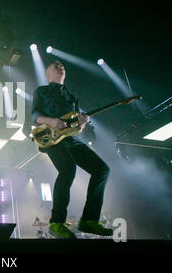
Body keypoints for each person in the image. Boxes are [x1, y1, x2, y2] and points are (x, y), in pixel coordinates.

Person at [31, 61, 113, 239]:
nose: (60, 66)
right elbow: (34, 115)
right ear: (48, 74)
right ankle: (57, 222)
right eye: (55, 65)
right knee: (68, 169)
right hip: (52, 139)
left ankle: (89, 221)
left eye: (62, 66)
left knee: (102, 170)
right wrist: (52, 121)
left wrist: (82, 124)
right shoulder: (42, 92)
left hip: (71, 139)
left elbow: (75, 127)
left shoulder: (72, 97)